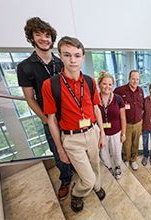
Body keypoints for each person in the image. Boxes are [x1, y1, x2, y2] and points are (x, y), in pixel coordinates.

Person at [42, 36, 106, 212]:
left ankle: (97, 187)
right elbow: (51, 120)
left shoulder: (90, 81)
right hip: (71, 138)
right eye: (67, 55)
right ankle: (78, 193)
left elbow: (97, 109)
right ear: (60, 56)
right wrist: (60, 150)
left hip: (92, 131)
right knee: (87, 177)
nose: (72, 60)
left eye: (77, 55)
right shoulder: (50, 85)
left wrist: (102, 133)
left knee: (95, 166)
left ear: (83, 58)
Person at [16, 17, 72, 200]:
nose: (44, 39)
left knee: (74, 146)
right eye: (38, 34)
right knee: (58, 151)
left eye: (47, 35)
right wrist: (47, 120)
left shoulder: (61, 62)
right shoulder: (25, 67)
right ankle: (65, 179)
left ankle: (76, 169)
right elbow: (30, 99)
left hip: (69, 116)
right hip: (49, 118)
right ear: (31, 38)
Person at [97, 71, 126, 180]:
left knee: (116, 151)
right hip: (101, 133)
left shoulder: (118, 99)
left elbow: (123, 118)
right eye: (104, 84)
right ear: (99, 84)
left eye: (110, 84)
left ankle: (117, 166)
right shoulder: (94, 99)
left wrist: (123, 133)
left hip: (115, 132)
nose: (107, 87)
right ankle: (108, 167)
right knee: (104, 153)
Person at [114, 70, 144, 171]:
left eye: (137, 79)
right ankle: (126, 159)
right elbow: (113, 104)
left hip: (138, 123)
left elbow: (141, 107)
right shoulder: (120, 90)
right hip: (126, 123)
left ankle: (133, 159)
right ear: (129, 79)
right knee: (126, 144)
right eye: (133, 79)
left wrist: (141, 125)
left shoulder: (141, 91)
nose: (135, 81)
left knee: (136, 143)